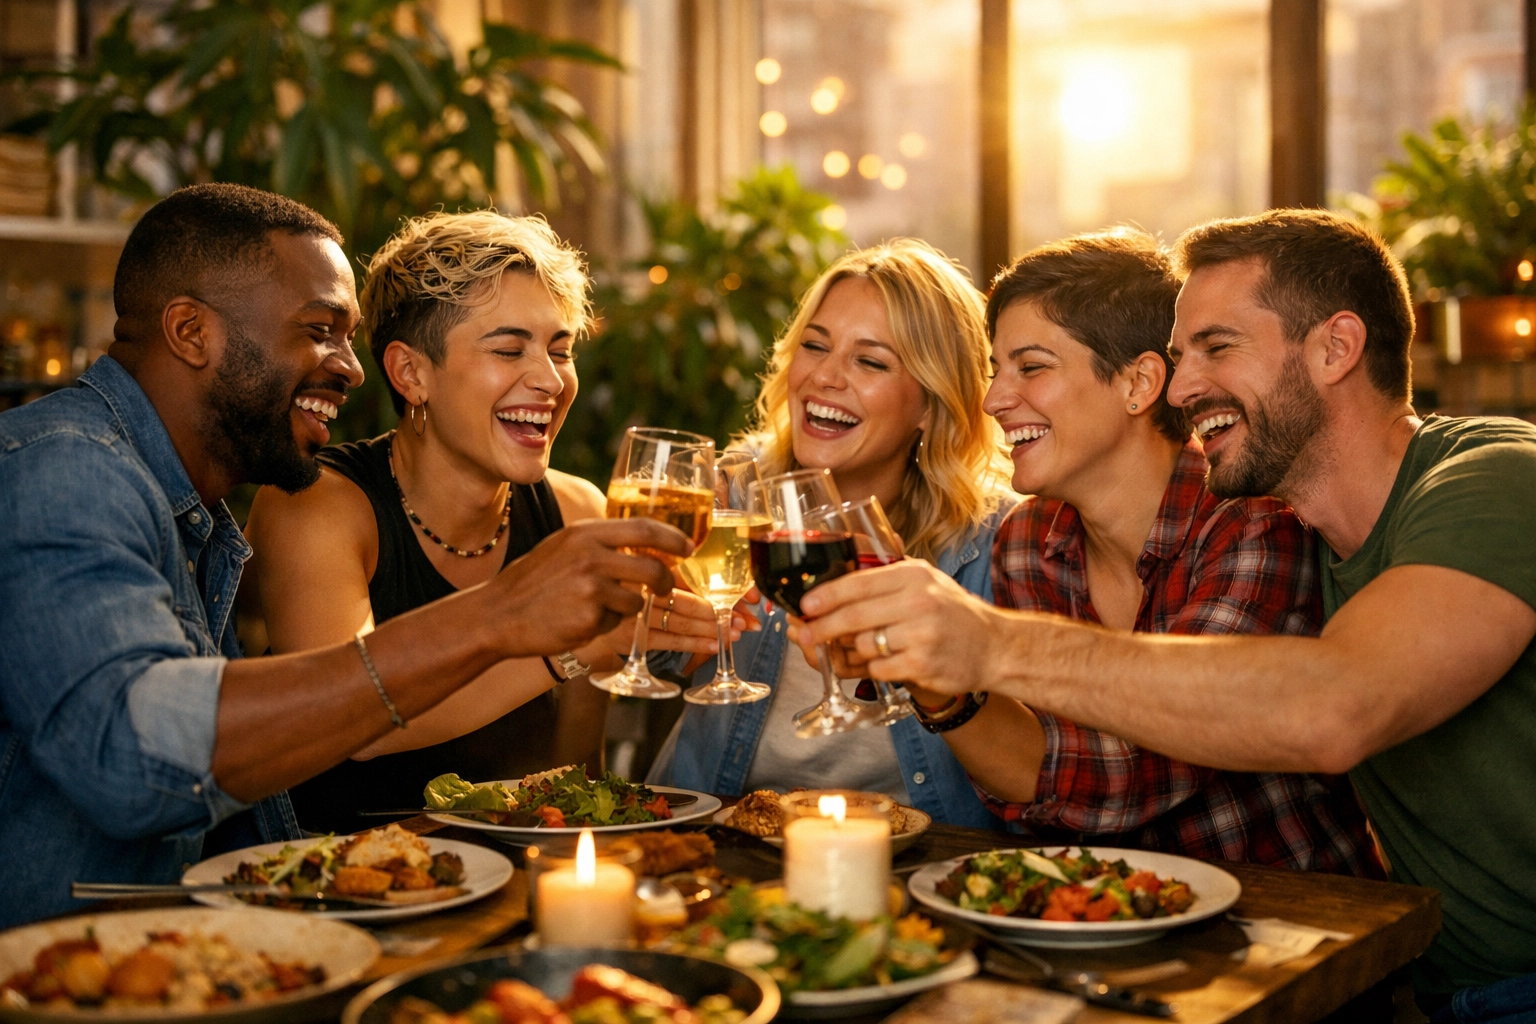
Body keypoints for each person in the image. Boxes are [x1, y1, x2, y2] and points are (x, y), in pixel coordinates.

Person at [794, 209, 1536, 1008]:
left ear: (1336, 347)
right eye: (1182, 358)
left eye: (1216, 349)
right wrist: (943, 681)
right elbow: (1052, 776)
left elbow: (1330, 709)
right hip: (1371, 971)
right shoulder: (1275, 522)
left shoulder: (1493, 477)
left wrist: (988, 643)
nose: (1183, 389)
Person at [0, 184, 691, 927]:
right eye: (319, 330)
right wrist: (507, 620)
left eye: (560, 350)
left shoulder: (182, 506)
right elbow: (132, 759)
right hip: (68, 976)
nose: (352, 368)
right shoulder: (66, 473)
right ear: (191, 332)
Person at [898, 229, 1375, 875]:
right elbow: (1034, 782)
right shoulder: (1027, 542)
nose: (993, 400)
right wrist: (930, 685)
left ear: (1140, 382)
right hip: (1106, 923)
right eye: (994, 371)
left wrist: (974, 649)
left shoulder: (1250, 519)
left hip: (1297, 929)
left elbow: (1134, 776)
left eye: (1031, 367)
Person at [241, 211, 729, 834]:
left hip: (505, 893)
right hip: (329, 886)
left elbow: (572, 781)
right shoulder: (314, 506)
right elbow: (352, 720)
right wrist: (569, 653)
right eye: (508, 349)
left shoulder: (577, 513)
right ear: (411, 373)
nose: (550, 381)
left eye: (561, 351)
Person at [648, 239, 1015, 827]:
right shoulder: (732, 499)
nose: (825, 376)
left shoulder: (993, 540)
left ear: (931, 402)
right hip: (721, 833)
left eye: (870, 362)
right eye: (814, 346)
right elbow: (656, 661)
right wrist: (657, 610)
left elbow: (1030, 773)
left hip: (913, 854)